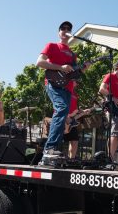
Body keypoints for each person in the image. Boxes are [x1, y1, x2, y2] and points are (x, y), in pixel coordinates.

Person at [36, 21, 78, 165]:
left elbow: (72, 74)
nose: (66, 30)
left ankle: (50, 153)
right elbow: (39, 62)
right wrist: (60, 67)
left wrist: (84, 68)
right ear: (59, 32)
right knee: (61, 109)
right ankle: (50, 148)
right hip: (53, 84)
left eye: (68, 29)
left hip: (67, 88)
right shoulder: (52, 46)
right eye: (63, 28)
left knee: (62, 112)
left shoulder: (73, 54)